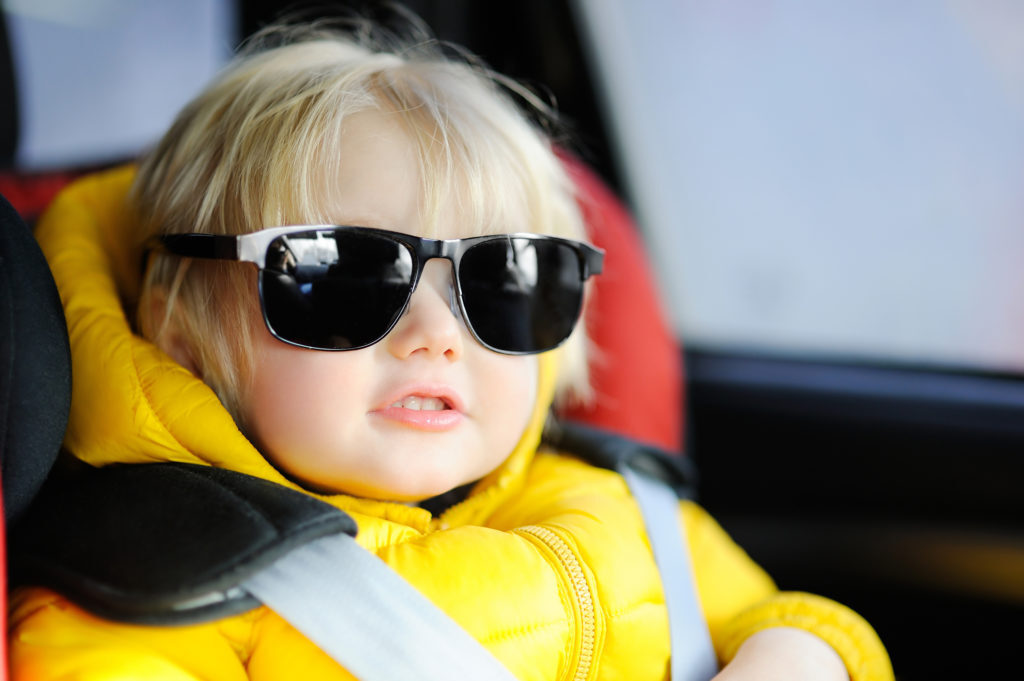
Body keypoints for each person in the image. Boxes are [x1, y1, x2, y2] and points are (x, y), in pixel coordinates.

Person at [9, 17, 892, 681]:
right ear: (176, 318)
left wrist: (794, 655)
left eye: (505, 279)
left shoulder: (624, 506)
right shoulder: (147, 591)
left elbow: (783, 616)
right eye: (349, 273)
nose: (438, 336)